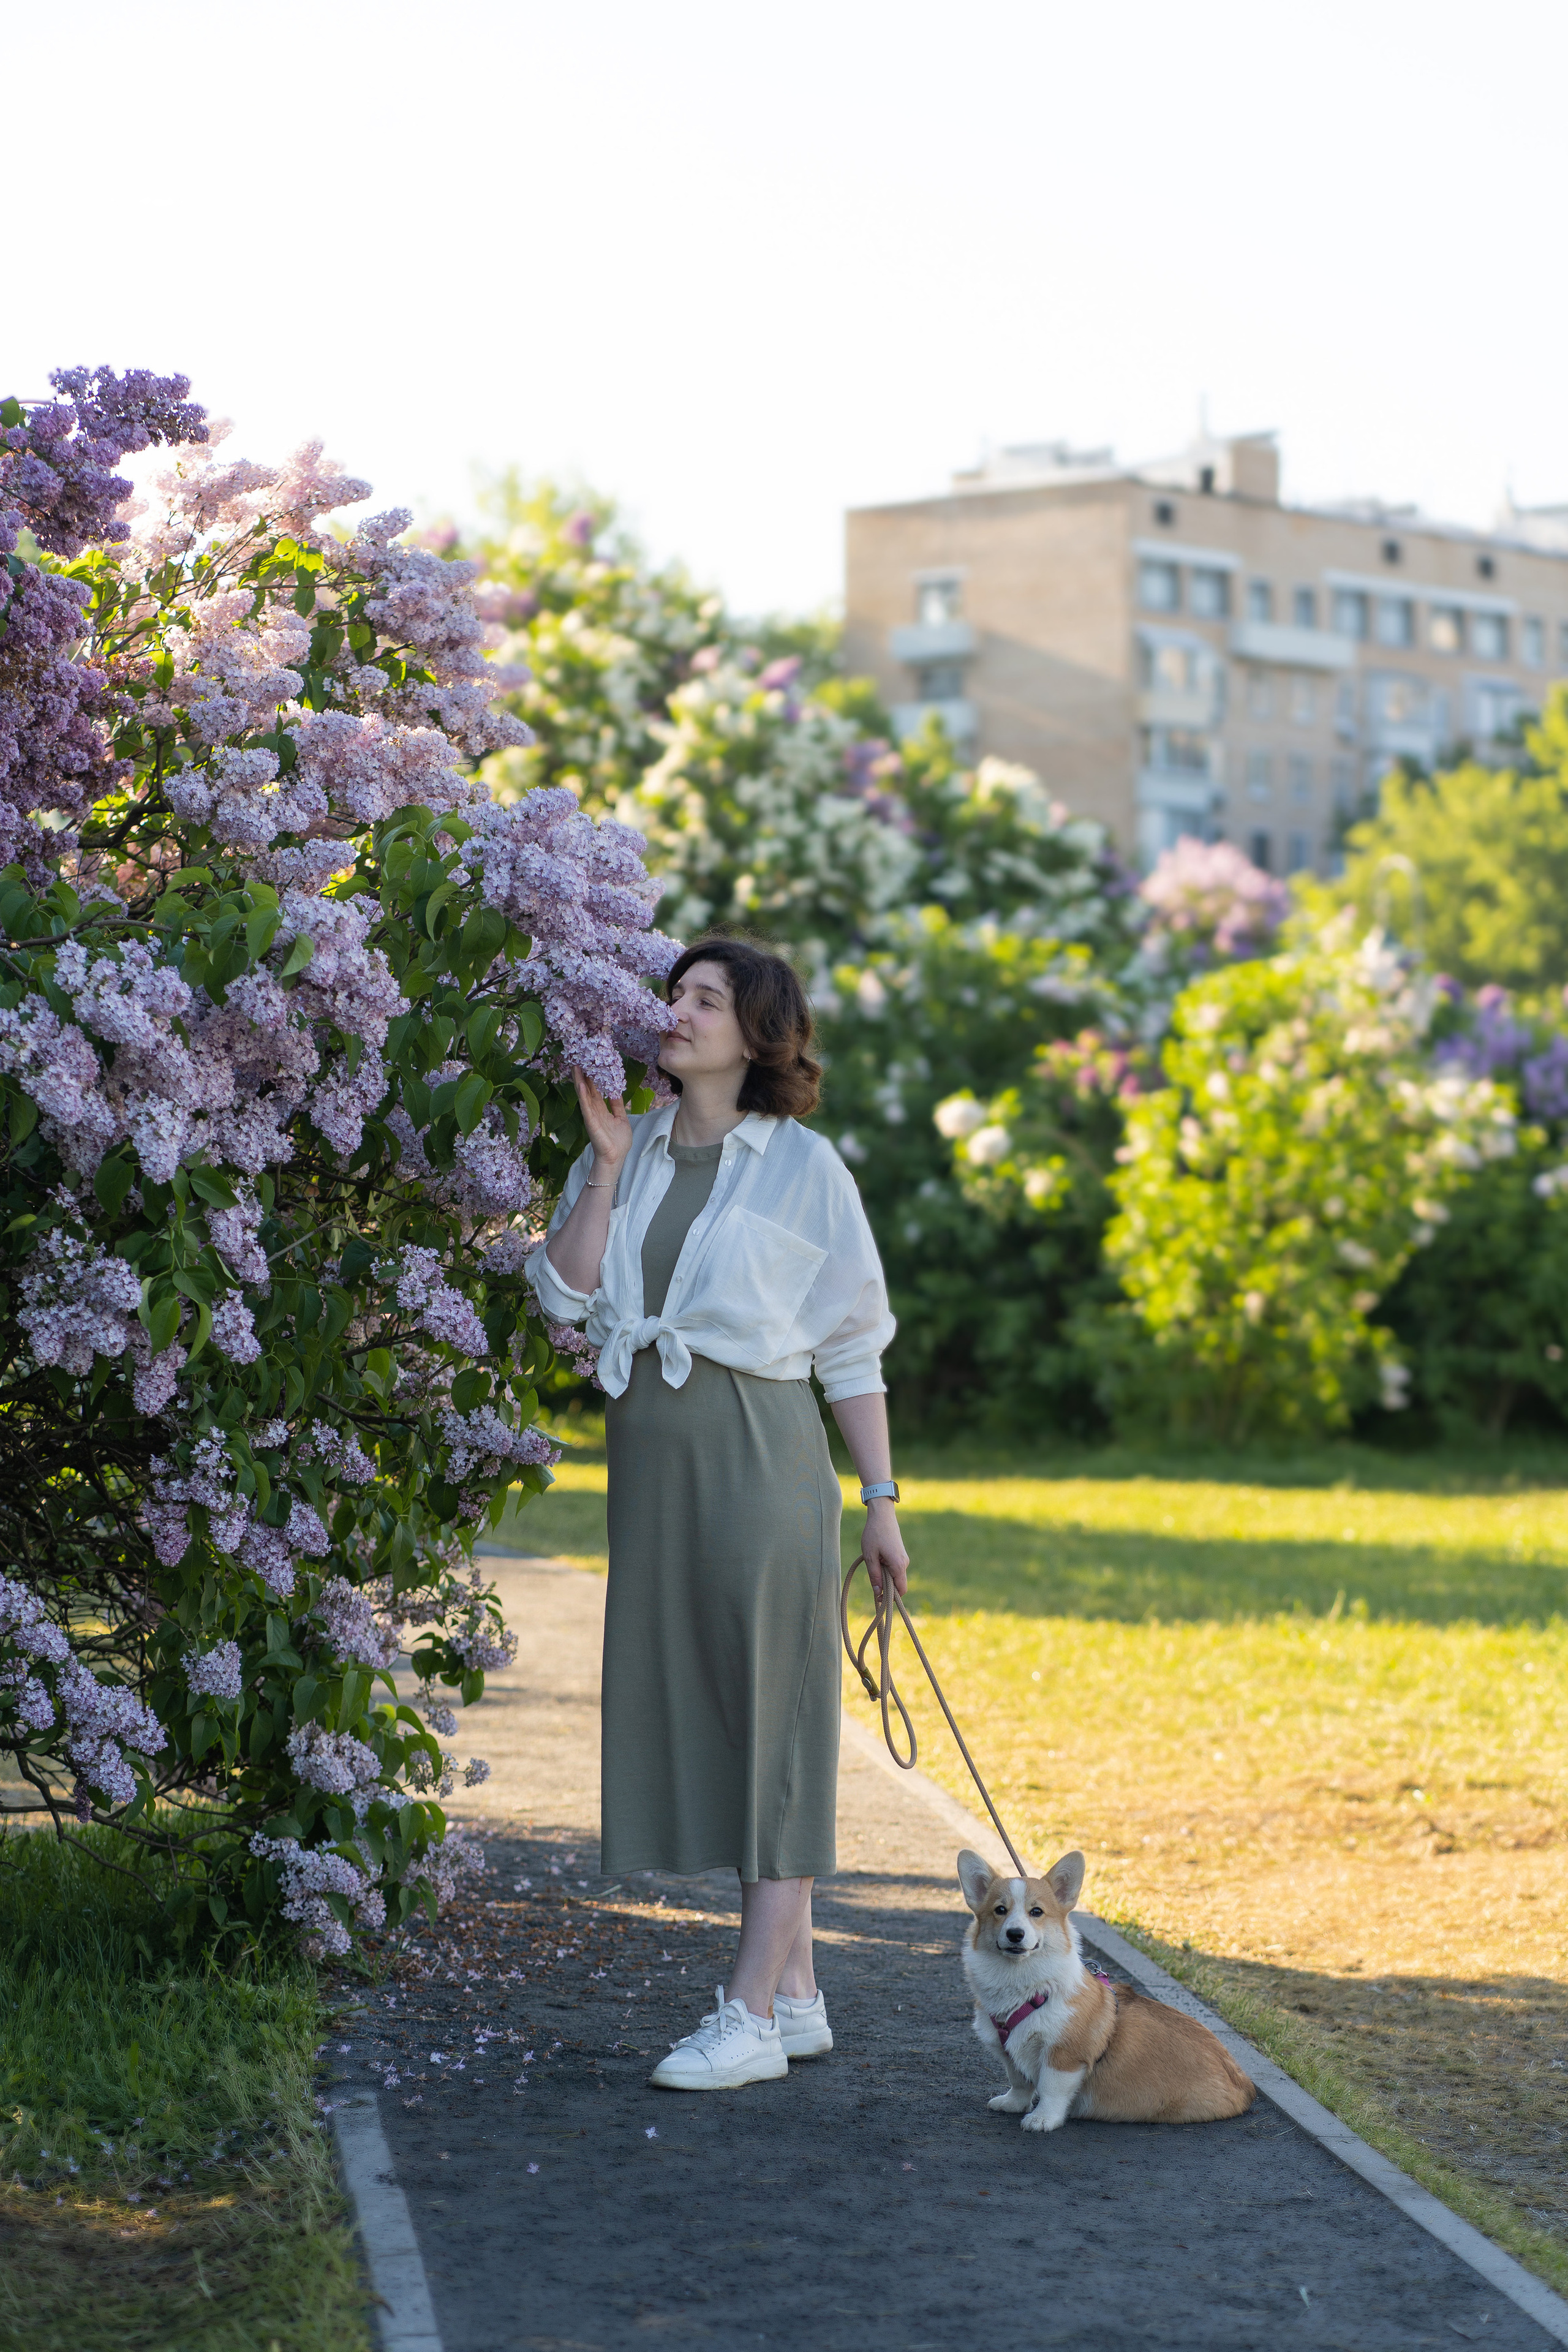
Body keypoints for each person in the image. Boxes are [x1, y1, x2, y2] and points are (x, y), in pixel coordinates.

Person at [527, 935, 908, 2090]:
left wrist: (882, 1503)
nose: (677, 1012)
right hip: (651, 1479)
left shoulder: (807, 1169)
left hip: (761, 1467)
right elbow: (565, 1298)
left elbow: (851, 1345)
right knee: (707, 1706)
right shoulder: (628, 1146)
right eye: (676, 992)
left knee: (772, 1723)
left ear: (756, 1034)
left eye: (706, 999)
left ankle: (746, 2011)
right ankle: (795, 1994)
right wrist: (599, 1169)